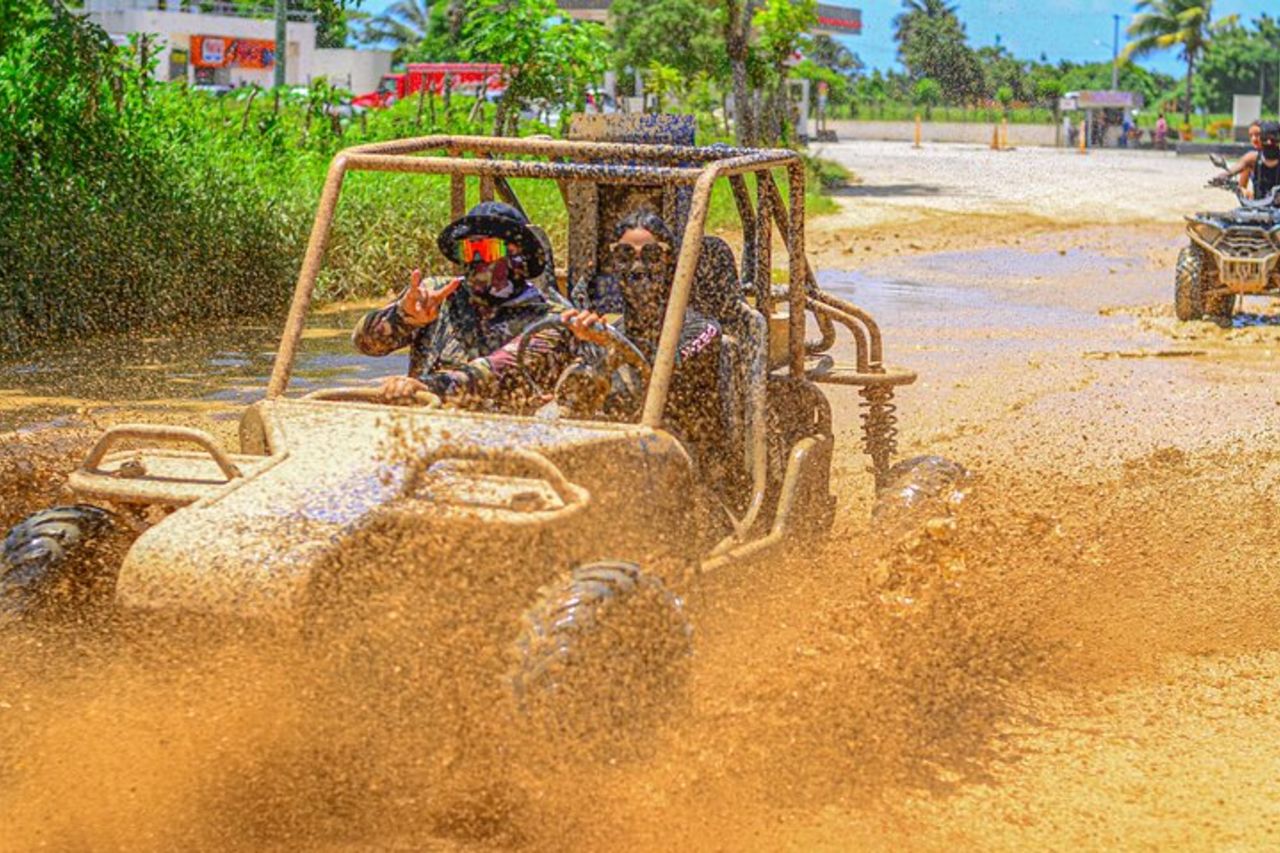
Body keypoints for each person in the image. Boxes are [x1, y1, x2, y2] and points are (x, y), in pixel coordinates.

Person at [352, 201, 570, 404]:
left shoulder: (550, 319)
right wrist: (403, 318)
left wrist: (423, 387)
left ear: (516, 255)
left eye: (486, 250)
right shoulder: (437, 295)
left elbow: (491, 374)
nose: (476, 261)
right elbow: (365, 344)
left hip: (501, 433)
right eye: (468, 251)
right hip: (425, 420)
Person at [1215, 121, 1262, 197]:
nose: (1254, 139)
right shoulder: (1249, 160)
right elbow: (1241, 190)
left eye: (1257, 135)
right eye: (1251, 136)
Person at [1251, 121, 1280, 204]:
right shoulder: (1253, 157)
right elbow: (1233, 170)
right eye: (1265, 138)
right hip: (1258, 206)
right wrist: (1223, 177)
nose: (1269, 142)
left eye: (1273, 139)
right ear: (1260, 138)